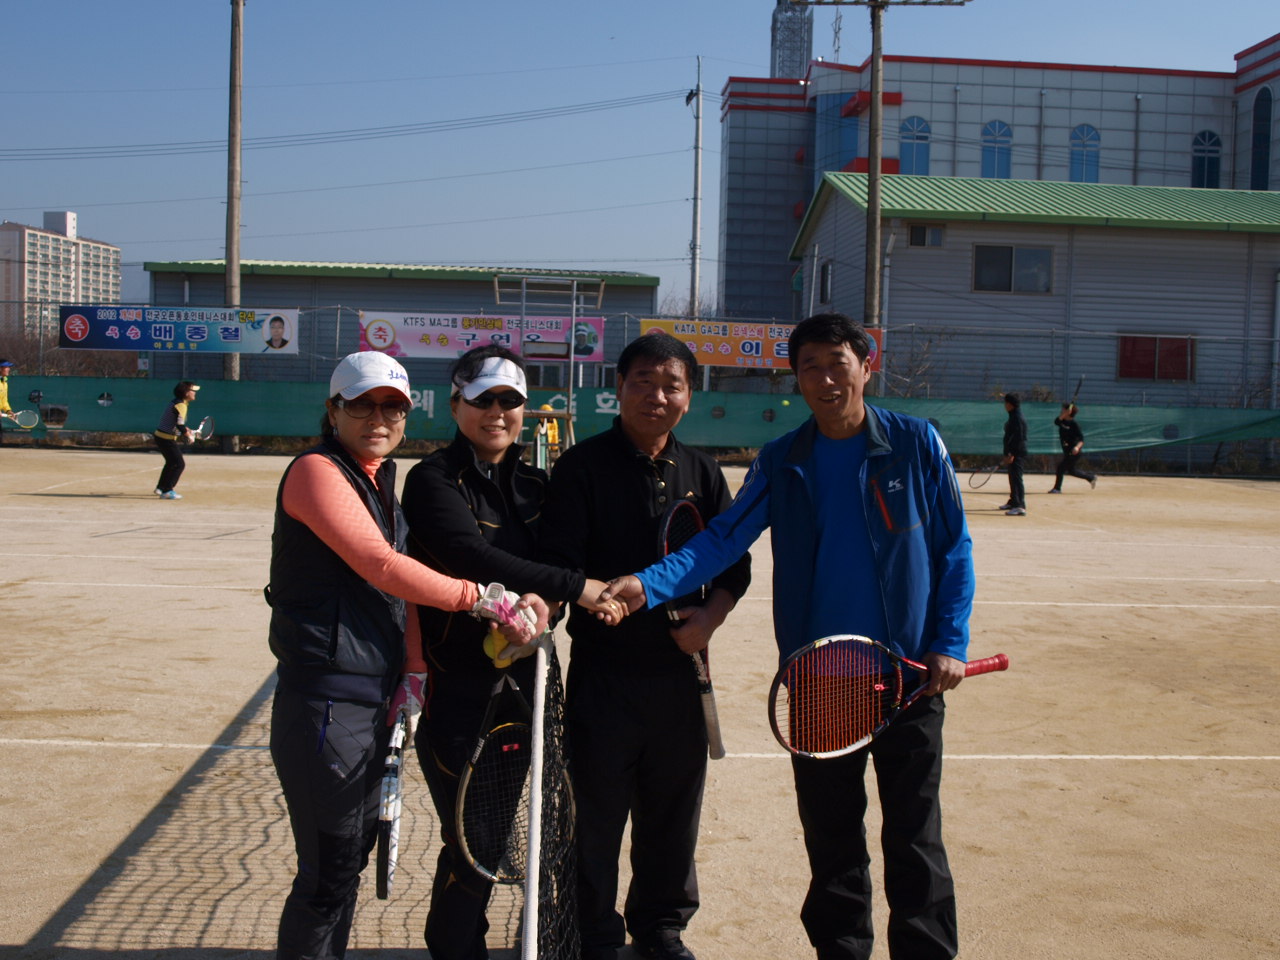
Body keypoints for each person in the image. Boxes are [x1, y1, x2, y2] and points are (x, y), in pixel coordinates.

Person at [600, 313, 976, 960]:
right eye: (810, 367)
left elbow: (953, 552)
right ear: (795, 378)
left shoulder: (918, 445)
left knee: (916, 839)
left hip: (908, 677)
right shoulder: (783, 460)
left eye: (838, 363)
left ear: (867, 363)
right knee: (832, 843)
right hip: (821, 680)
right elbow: (721, 539)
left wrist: (950, 641)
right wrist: (649, 584)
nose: (826, 379)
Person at [265, 350, 548, 960]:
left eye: (391, 406)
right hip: (325, 699)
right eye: (362, 404)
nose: (378, 417)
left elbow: (397, 602)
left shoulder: (377, 480)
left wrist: (414, 670)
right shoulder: (316, 471)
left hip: (371, 698)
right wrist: (481, 599)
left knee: (348, 861)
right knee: (329, 872)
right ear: (332, 409)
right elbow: (383, 566)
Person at [398, 345, 625, 960]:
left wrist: (547, 602)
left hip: (532, 687)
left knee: (504, 837)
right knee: (476, 841)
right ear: (455, 405)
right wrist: (575, 589)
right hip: (459, 692)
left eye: (510, 401)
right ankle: (454, 947)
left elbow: (557, 556)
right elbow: (471, 555)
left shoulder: (535, 483)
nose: (497, 412)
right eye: (483, 400)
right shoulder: (431, 481)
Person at [538, 332, 752, 960]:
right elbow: (560, 562)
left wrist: (709, 619)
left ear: (689, 395)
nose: (656, 396)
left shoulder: (704, 473)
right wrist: (588, 597)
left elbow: (733, 567)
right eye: (642, 382)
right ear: (618, 389)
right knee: (595, 818)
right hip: (604, 680)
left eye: (671, 385)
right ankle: (594, 933)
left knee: (672, 814)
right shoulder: (580, 468)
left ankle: (660, 927)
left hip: (682, 680)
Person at [153, 380, 200, 499]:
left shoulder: (176, 402)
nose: (195, 393)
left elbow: (175, 422)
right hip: (166, 439)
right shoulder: (181, 405)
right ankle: (167, 490)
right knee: (179, 464)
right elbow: (179, 425)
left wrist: (186, 430)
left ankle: (161, 487)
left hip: (160, 436)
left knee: (170, 463)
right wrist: (188, 435)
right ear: (186, 393)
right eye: (193, 391)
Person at [1048, 402, 1097, 493]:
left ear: (1068, 412)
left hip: (1074, 451)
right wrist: (1065, 414)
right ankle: (1091, 477)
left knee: (1060, 468)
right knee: (1071, 471)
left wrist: (1077, 447)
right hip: (1066, 450)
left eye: (1063, 410)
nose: (1061, 412)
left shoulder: (1074, 424)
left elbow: (1081, 439)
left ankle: (1057, 488)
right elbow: (1056, 421)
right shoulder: (1062, 421)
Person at [1000, 392, 1028, 516]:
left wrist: (1011, 454)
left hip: (1017, 453)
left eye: (1006, 403)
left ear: (1010, 404)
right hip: (1013, 452)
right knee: (1012, 477)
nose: (1004, 405)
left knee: (1017, 478)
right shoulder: (1013, 416)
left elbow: (1018, 438)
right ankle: (1013, 501)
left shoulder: (1017, 418)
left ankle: (1020, 506)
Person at [0, 360, 13, 445]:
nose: (8, 369)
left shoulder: (4, 382)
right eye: (6, 367)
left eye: (9, 367)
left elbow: (4, 400)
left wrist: (8, 411)